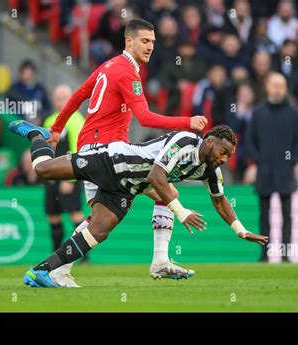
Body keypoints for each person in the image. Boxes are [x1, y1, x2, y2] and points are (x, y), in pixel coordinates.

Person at [42, 18, 208, 286]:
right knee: (165, 191)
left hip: (92, 149)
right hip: (110, 153)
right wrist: (187, 122)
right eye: (145, 41)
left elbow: (79, 94)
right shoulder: (127, 72)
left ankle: (58, 270)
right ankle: (160, 261)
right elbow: (144, 117)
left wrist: (57, 128)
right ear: (128, 41)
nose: (150, 46)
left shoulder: (108, 66)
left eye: (153, 42)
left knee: (99, 221)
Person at [9, 121, 268, 287]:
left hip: (128, 187)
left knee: (99, 230)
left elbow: (220, 201)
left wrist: (240, 230)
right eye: (223, 152)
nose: (224, 159)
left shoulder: (210, 170)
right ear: (209, 143)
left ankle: (41, 271)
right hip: (111, 161)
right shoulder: (185, 141)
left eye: (229, 156)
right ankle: (35, 134)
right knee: (43, 170)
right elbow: (157, 176)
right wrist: (181, 212)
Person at [245, 72, 298, 263]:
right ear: (267, 87)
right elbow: (249, 141)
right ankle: (264, 255)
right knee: (264, 216)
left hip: (285, 172)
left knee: (287, 216)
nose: (277, 89)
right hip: (265, 172)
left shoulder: (293, 113)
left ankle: (285, 255)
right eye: (274, 85)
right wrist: (259, 161)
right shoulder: (259, 112)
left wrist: (291, 161)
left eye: (281, 85)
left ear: (285, 88)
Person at [43, 85, 85, 254]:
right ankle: (55, 255)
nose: (61, 102)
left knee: (75, 213)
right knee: (53, 215)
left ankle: (83, 256)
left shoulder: (76, 120)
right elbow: (46, 149)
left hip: (69, 175)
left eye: (64, 98)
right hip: (52, 176)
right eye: (58, 98)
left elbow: (78, 149)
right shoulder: (49, 121)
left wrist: (70, 179)